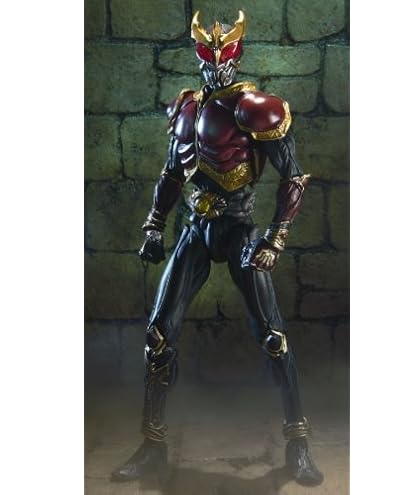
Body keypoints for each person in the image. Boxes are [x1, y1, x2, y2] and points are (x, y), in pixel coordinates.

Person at [111, 10, 323, 486]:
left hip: (239, 227)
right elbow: (172, 173)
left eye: (223, 56)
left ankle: (299, 446)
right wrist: (154, 225)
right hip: (196, 228)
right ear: (199, 57)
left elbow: (293, 177)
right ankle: (152, 446)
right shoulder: (186, 107)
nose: (215, 65)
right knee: (157, 336)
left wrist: (275, 238)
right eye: (207, 56)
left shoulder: (255, 108)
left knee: (273, 337)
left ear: (236, 56)